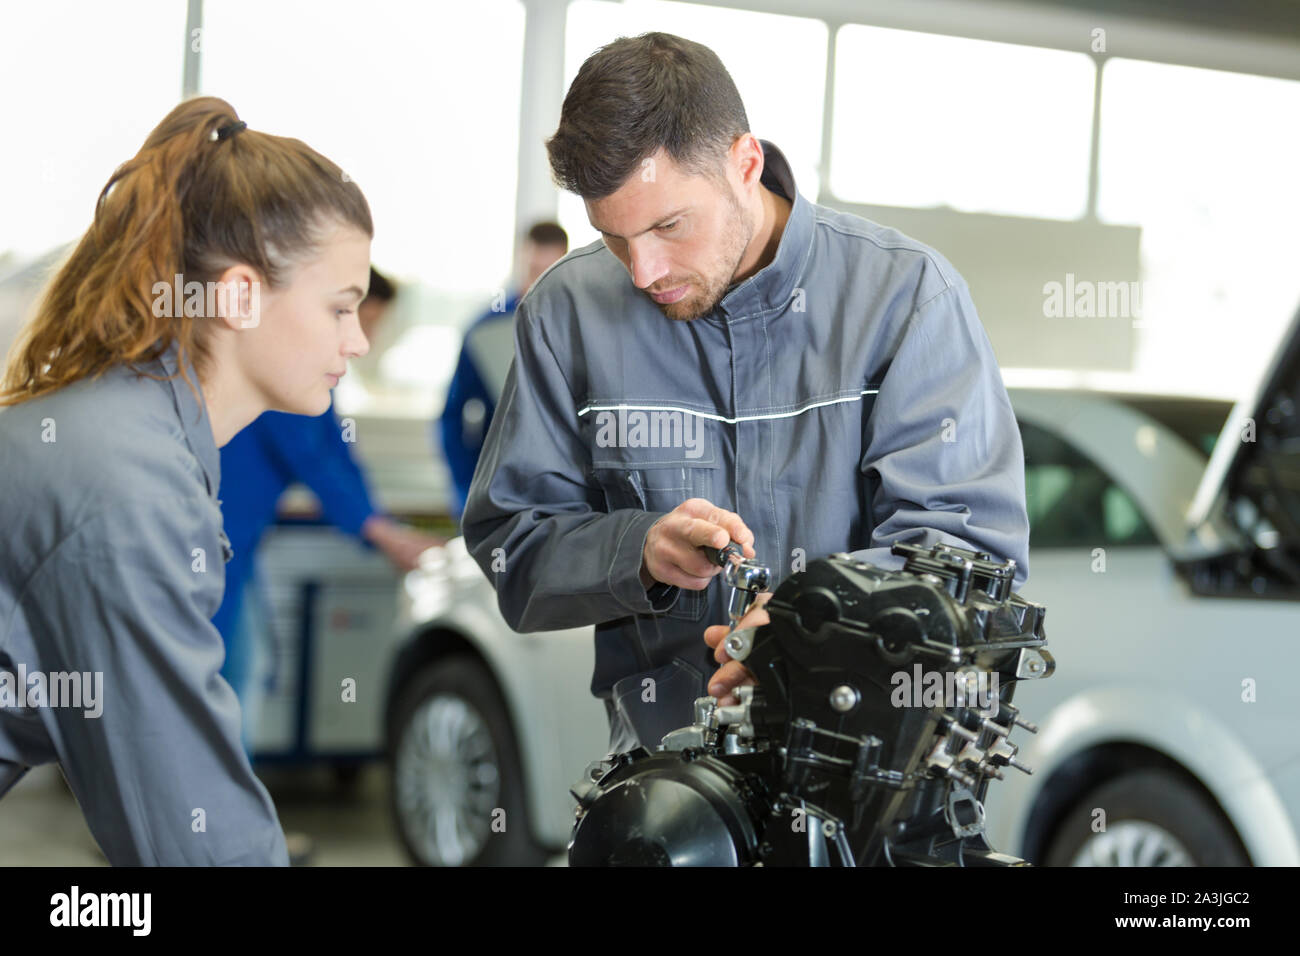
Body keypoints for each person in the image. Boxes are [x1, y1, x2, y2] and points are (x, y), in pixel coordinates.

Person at [461, 34, 1031, 755]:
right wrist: (639, 550)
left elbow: (968, 556)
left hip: (871, 774)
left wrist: (811, 631)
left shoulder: (908, 300)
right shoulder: (565, 314)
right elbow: (512, 540)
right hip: (665, 790)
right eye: (614, 237)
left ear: (745, 163)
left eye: (669, 225)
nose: (642, 272)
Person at [0, 96, 374, 865]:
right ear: (238, 296)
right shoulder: (129, 487)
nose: (359, 340)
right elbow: (194, 836)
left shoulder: (132, 435)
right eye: (340, 308)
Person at [214, 267, 440, 757]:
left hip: (237, 541)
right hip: (212, 541)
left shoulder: (314, 369)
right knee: (218, 679)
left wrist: (379, 524)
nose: (365, 340)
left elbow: (334, 448)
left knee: (239, 672)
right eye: (363, 319)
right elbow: (310, 454)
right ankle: (199, 825)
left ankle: (221, 824)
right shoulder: (289, 356)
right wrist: (379, 531)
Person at [440, 221, 568, 520]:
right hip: (499, 489)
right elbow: (452, 418)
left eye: (549, 271)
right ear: (521, 260)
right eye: (533, 269)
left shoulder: (580, 326)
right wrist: (465, 493)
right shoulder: (484, 330)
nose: (538, 282)